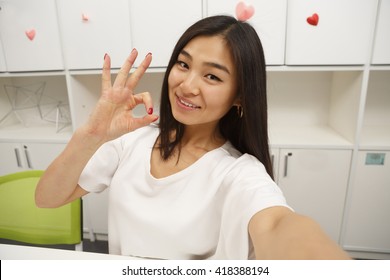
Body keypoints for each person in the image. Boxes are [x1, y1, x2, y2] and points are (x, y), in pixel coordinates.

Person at [35, 15, 350, 260]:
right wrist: (92, 133)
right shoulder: (131, 141)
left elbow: (277, 226)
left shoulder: (239, 173)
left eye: (212, 76)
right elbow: (47, 198)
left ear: (240, 96)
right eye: (183, 64)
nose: (187, 85)